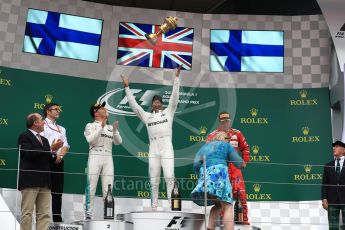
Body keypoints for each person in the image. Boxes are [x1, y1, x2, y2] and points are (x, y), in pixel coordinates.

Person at [121, 66, 182, 210]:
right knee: (154, 180)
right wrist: (127, 88)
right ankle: (154, 206)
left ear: (162, 104)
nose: (157, 101)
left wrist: (177, 78)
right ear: (151, 105)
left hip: (167, 147)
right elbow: (135, 106)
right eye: (154, 100)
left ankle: (170, 206)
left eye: (159, 100)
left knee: (169, 176)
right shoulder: (147, 116)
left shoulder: (168, 112)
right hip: (153, 148)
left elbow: (175, 97)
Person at [17, 113, 63, 230]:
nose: (44, 122)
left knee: (44, 214)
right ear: (35, 123)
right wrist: (50, 149)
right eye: (42, 120)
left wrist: (54, 152)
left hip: (45, 182)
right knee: (27, 213)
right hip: (30, 180)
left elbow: (49, 160)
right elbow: (29, 153)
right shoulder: (24, 136)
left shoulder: (45, 140)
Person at [191, 131, 244, 230]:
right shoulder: (225, 145)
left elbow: (196, 164)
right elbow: (237, 160)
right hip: (220, 177)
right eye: (227, 140)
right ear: (223, 138)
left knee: (218, 205)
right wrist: (242, 164)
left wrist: (201, 177)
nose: (228, 142)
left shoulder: (204, 147)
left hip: (206, 180)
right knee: (228, 206)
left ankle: (210, 228)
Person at [207, 111, 250, 225]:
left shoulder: (237, 133)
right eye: (223, 122)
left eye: (227, 121)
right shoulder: (212, 135)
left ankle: (244, 222)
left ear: (230, 121)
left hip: (235, 170)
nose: (226, 123)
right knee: (223, 198)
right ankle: (222, 224)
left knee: (242, 197)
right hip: (221, 172)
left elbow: (245, 148)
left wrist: (244, 162)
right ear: (219, 122)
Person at [84, 102, 122, 219]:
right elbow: (91, 140)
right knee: (91, 186)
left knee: (108, 187)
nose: (105, 109)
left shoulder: (110, 127)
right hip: (95, 156)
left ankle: (108, 213)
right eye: (102, 108)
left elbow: (118, 142)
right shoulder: (90, 125)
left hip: (108, 158)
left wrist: (115, 131)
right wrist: (101, 127)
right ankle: (88, 214)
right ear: (96, 113)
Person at [41, 103, 69, 222]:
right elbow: (40, 144)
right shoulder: (41, 125)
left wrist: (61, 155)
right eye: (56, 109)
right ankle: (42, 219)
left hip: (58, 161)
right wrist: (52, 150)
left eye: (59, 109)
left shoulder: (62, 128)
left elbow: (66, 145)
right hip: (45, 161)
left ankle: (57, 219)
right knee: (43, 191)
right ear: (48, 111)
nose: (59, 111)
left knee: (57, 192)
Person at [321, 140, 345, 230]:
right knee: (333, 227)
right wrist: (324, 199)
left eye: (337, 146)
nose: (334, 148)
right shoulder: (328, 165)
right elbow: (324, 184)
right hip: (332, 200)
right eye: (333, 147)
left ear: (343, 150)